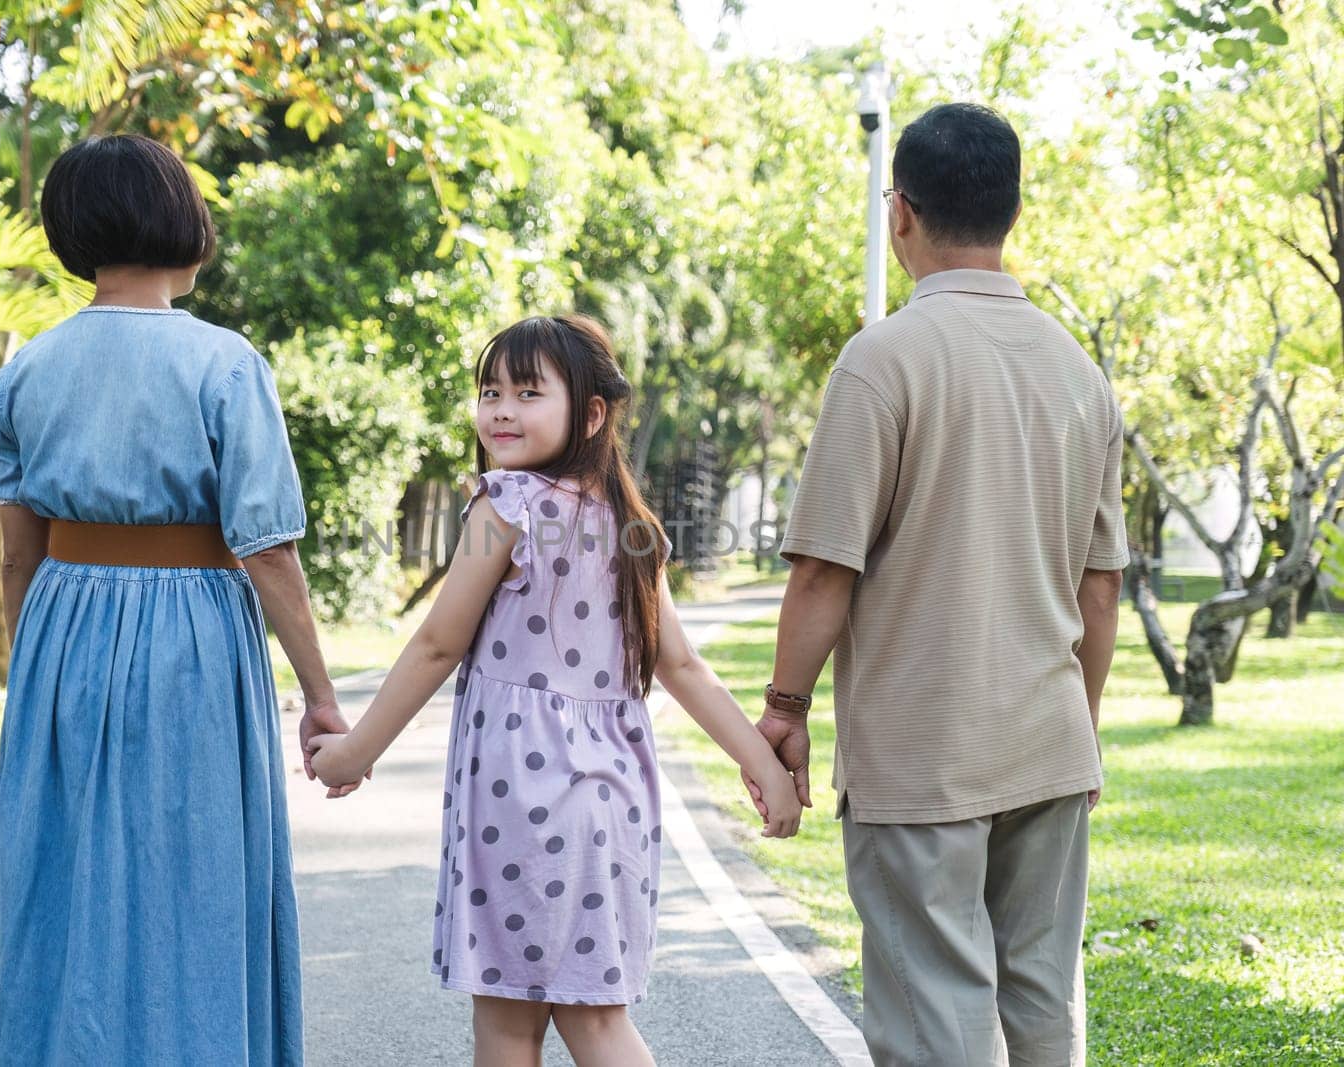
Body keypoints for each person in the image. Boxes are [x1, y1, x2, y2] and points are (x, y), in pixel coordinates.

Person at [308, 315, 802, 1067]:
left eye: (528, 392)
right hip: (611, 800)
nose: (501, 409)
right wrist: (763, 766)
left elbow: (438, 642)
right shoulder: (629, 523)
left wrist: (354, 751)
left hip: (517, 796)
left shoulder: (503, 507)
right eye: (490, 391)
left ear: (592, 413)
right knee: (597, 1019)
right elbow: (685, 668)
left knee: (509, 1025)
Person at [752, 103, 1126, 1065]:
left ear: (902, 213)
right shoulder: (1080, 374)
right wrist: (1078, 726)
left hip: (923, 755)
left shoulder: (883, 360)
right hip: (1049, 742)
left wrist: (786, 705)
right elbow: (1099, 589)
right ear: (1009, 211)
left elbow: (825, 567)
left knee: (935, 1013)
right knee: (1044, 1001)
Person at [0, 134, 359, 1065]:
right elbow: (266, 550)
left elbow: (17, 546)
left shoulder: (31, 365)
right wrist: (320, 693)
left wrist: (35, 660)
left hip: (64, 628)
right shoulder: (225, 364)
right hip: (192, 625)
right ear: (183, 224)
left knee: (64, 876)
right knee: (193, 870)